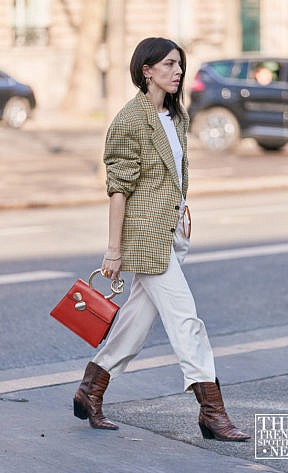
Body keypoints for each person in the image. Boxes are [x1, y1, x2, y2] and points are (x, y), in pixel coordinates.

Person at [73, 37, 250, 442]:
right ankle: (212, 413)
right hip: (146, 238)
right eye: (169, 64)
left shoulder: (175, 115)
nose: (178, 71)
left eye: (180, 64)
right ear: (146, 70)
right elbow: (118, 188)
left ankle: (90, 389)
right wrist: (113, 250)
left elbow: (172, 178)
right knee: (187, 321)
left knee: (136, 319)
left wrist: (183, 215)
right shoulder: (129, 120)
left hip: (174, 231)